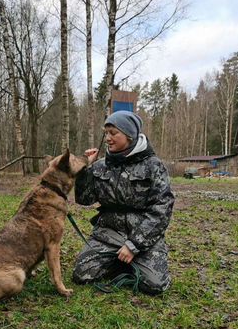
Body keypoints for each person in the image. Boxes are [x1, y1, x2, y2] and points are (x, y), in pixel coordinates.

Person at [73, 110, 175, 294]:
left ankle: (134, 259)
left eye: (113, 133)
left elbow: (162, 211)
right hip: (109, 232)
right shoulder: (101, 165)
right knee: (82, 274)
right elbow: (84, 199)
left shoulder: (154, 166)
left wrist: (134, 245)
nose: (107, 138)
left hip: (143, 235)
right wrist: (84, 170)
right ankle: (121, 262)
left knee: (155, 286)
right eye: (106, 133)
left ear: (129, 135)